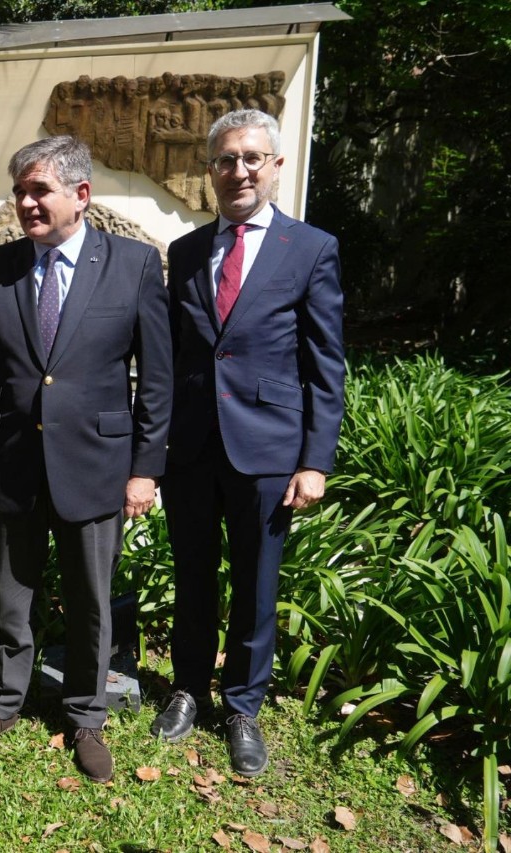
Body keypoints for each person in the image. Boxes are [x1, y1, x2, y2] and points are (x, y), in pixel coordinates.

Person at [0, 135, 172, 783]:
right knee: (10, 596)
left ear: (81, 195)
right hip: (12, 461)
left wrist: (144, 467)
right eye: (19, 190)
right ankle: (0, 703)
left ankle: (86, 715)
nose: (25, 201)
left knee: (90, 599)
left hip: (98, 465)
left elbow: (155, 378)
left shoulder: (132, 264)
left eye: (38, 189)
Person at [152, 109, 344, 777]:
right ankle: (187, 689)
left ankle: (242, 707)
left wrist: (315, 459)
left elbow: (327, 362)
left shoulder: (311, 249)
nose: (238, 170)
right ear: (211, 171)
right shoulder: (186, 252)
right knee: (193, 576)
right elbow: (174, 359)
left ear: (276, 166)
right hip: (192, 448)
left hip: (269, 450)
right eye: (226, 159)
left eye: (251, 158)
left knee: (256, 584)